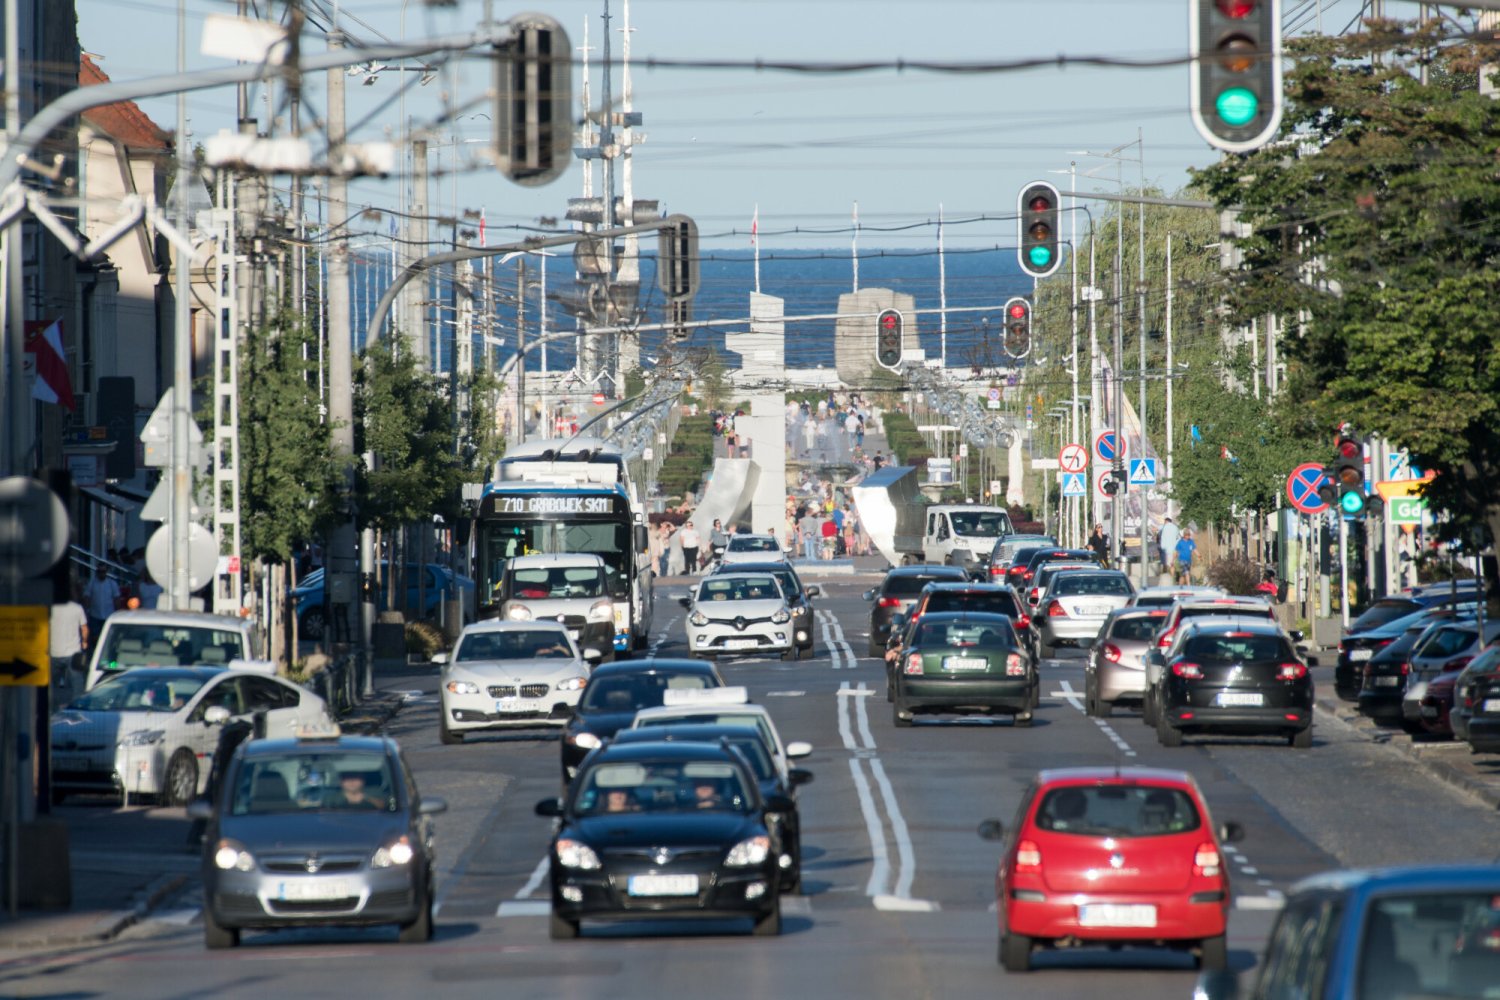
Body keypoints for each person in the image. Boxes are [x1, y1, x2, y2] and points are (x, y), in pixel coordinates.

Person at [49, 585, 88, 702]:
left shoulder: (50, 608)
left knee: (48, 684)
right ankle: (77, 709)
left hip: (54, 651)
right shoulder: (77, 608)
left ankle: (50, 708)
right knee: (77, 686)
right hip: (73, 652)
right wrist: (84, 642)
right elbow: (84, 628)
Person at [82, 563, 121, 644]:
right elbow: (86, 596)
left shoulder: (112, 583)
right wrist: (87, 610)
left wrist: (117, 612)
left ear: (106, 572)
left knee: (108, 638)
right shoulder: (92, 583)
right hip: (95, 616)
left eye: (103, 571)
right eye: (99, 571)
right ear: (97, 572)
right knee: (94, 639)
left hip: (108, 615)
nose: (101, 573)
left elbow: (116, 598)